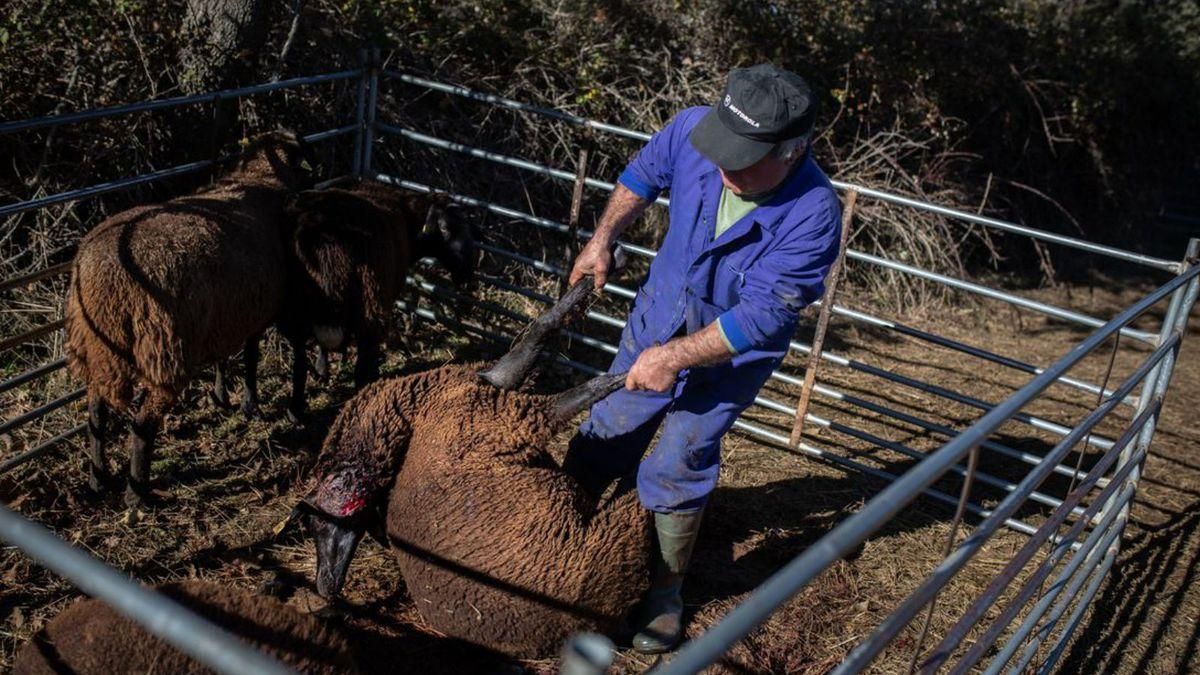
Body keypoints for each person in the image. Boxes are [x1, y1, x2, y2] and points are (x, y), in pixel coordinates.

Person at [563, 63, 843, 653]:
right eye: (722, 147)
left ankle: (665, 594)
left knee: (676, 458)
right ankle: (561, 538)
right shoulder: (694, 130)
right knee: (607, 430)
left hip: (731, 354)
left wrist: (678, 356)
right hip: (660, 312)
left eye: (742, 156)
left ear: (793, 149)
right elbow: (641, 176)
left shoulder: (814, 214)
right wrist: (603, 238)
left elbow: (764, 316)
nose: (724, 165)